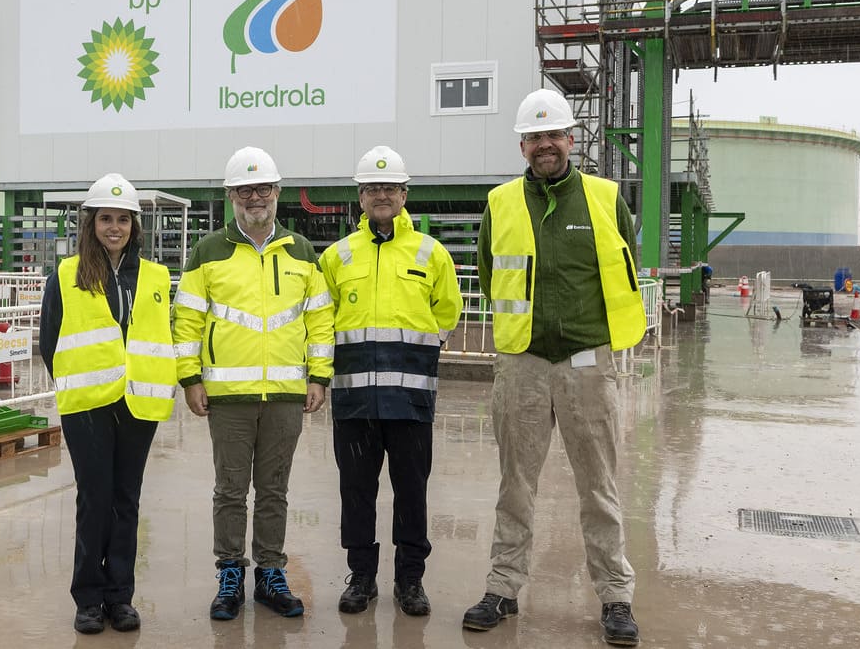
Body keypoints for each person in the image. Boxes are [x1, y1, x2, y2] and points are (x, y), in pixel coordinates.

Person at [462, 89, 647, 646]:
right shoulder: (500, 203)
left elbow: (628, 268)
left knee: (599, 486)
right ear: (522, 145)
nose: (545, 145)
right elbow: (489, 269)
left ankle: (615, 597)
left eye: (554, 135)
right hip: (522, 363)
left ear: (571, 139)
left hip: (587, 362)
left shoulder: (605, 199)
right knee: (515, 484)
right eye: (534, 137)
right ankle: (503, 587)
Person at [172, 146, 335, 620]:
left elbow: (320, 320)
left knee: (274, 490)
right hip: (227, 397)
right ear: (231, 196)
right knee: (229, 490)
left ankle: (269, 573)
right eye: (245, 190)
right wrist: (190, 379)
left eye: (263, 188)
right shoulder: (207, 252)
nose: (255, 197)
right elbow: (187, 321)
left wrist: (319, 377)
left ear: (278, 193)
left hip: (286, 395)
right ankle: (229, 574)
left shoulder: (302, 251)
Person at [319, 146, 463, 617]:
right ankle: (361, 578)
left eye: (389, 188)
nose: (381, 196)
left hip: (411, 398)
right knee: (356, 491)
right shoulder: (336, 257)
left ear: (404, 194)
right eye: (372, 189)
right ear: (359, 197)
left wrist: (419, 355)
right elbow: (322, 321)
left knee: (411, 490)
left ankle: (409, 581)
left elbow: (447, 312)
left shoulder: (431, 253)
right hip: (354, 400)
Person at [38, 172, 178, 635]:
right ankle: (88, 599)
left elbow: (162, 335)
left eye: (122, 219)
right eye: (105, 219)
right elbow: (49, 340)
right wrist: (81, 384)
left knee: (126, 500)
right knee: (93, 499)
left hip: (137, 404)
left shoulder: (156, 276)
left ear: (135, 225)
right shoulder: (66, 274)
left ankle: (121, 597)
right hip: (88, 406)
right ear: (90, 223)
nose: (114, 227)